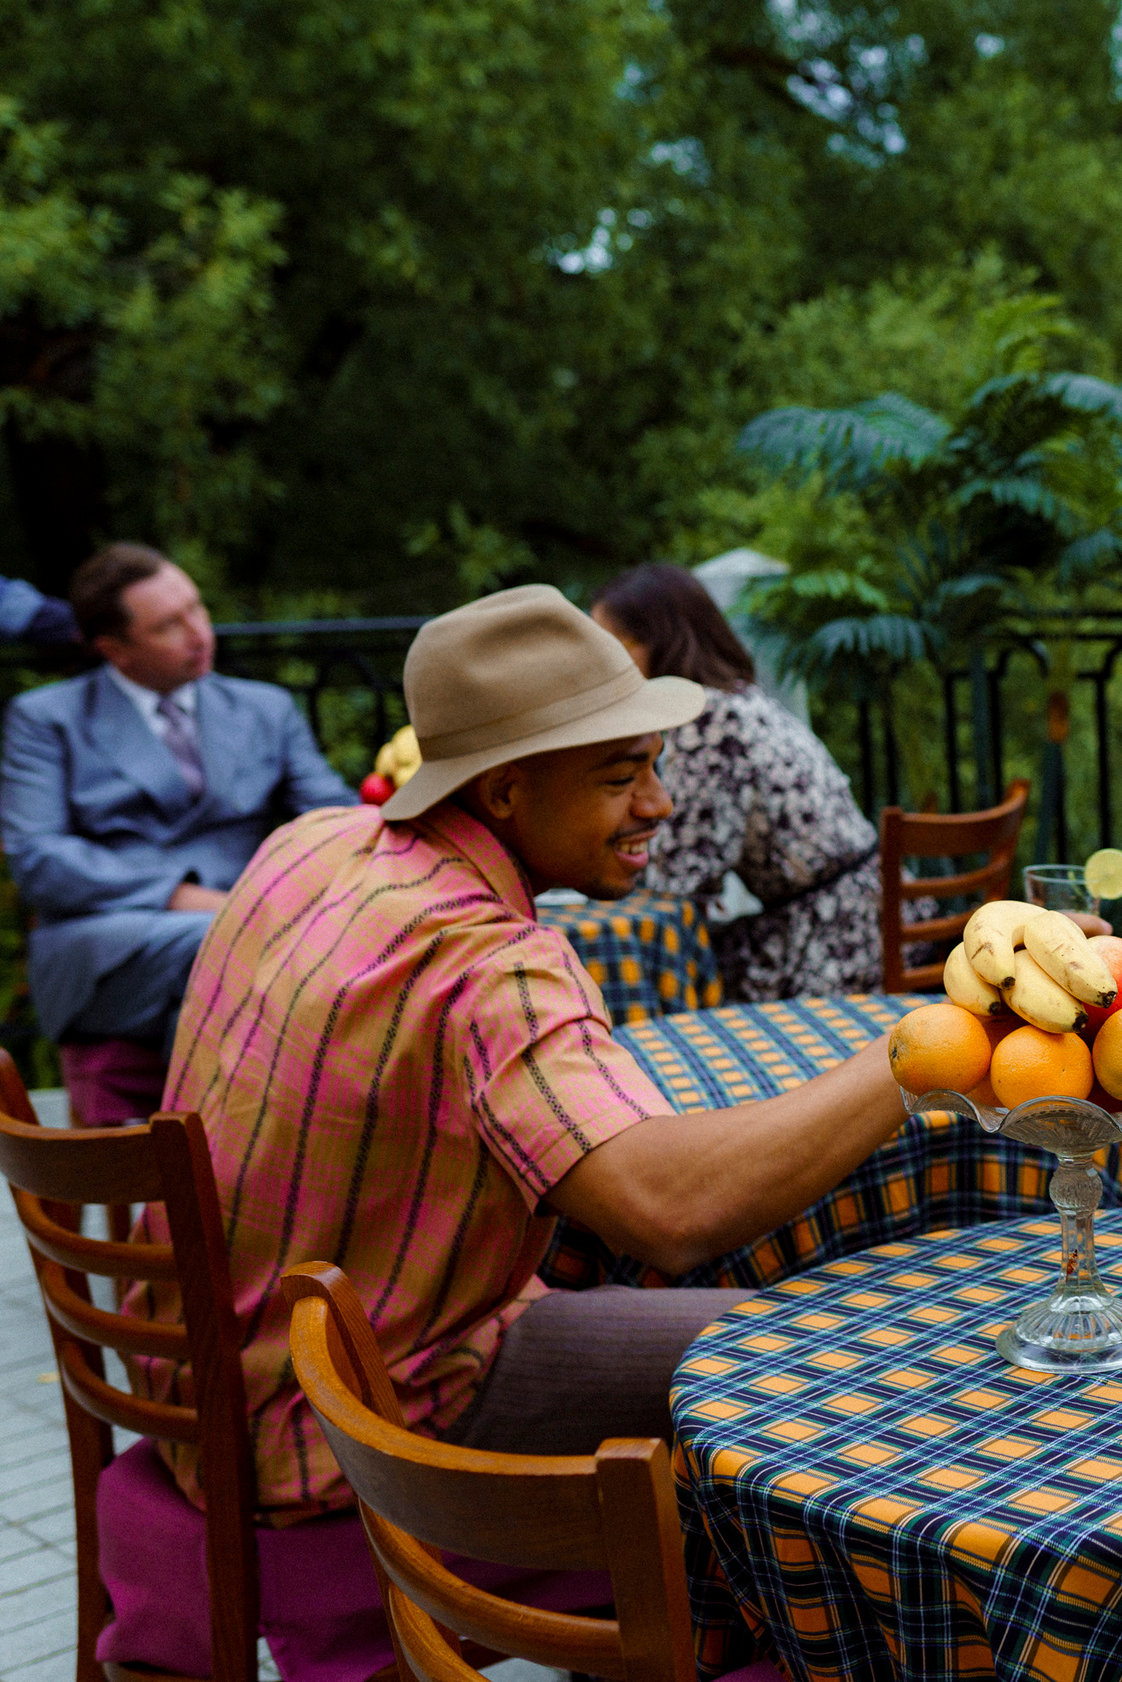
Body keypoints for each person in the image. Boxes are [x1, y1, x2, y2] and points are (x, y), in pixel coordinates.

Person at [132, 586, 938, 1518]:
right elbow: (671, 1211)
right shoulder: (492, 963)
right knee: (819, 1349)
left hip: (204, 1377)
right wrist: (913, 1052)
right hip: (349, 1419)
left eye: (655, 766)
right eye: (617, 775)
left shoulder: (312, 843)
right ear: (506, 789)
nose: (659, 803)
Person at [0, 544, 352, 1070]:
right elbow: (39, 859)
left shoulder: (264, 708)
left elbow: (335, 819)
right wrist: (182, 897)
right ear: (114, 648)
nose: (199, 634)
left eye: (197, 608)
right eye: (168, 625)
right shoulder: (46, 719)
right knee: (226, 944)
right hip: (108, 941)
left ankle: (190, 1135)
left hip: (252, 920)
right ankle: (221, 1137)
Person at [590, 561, 897, 1001]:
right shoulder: (735, 700)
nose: (606, 670)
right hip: (873, 917)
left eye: (615, 649)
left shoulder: (709, 721)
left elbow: (675, 877)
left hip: (832, 939)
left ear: (660, 640)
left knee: (657, 978)